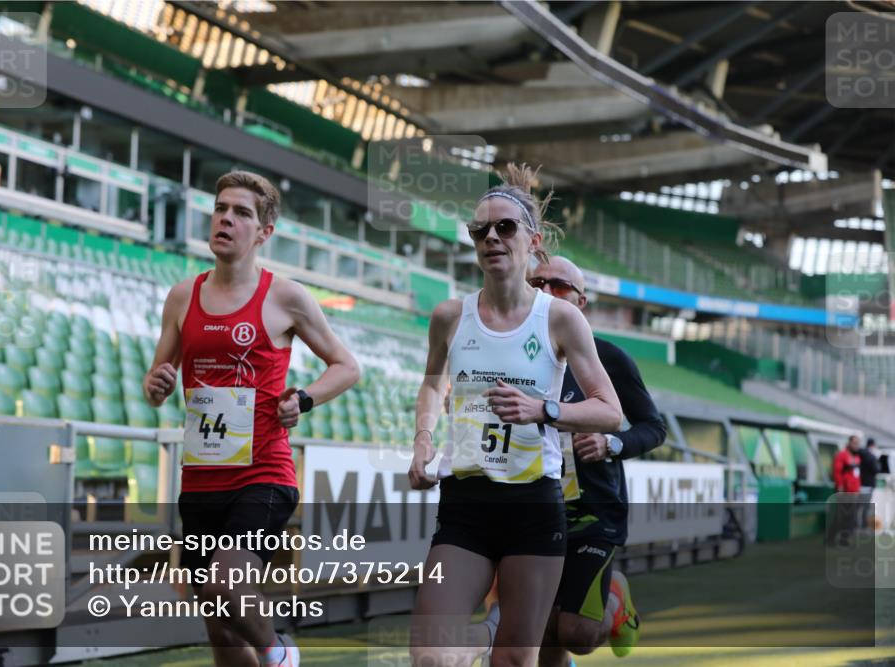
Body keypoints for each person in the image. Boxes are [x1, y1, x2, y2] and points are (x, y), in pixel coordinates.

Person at [407, 164, 622, 667]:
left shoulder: (561, 318)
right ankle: (484, 636)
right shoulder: (449, 316)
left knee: (516, 662)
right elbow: (432, 382)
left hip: (533, 508)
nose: (491, 238)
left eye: (505, 227)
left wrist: (543, 410)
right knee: (431, 656)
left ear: (533, 239)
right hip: (465, 506)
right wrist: (422, 439)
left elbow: (610, 412)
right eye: (480, 230)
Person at [143, 170, 360, 667]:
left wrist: (303, 399)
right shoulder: (182, 296)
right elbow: (159, 378)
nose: (225, 218)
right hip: (201, 477)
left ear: (264, 233)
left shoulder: (286, 297)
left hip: (263, 472)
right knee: (219, 628)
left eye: (241, 213)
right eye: (221, 208)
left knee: (225, 581)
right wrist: (156, 385)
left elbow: (348, 366)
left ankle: (279, 652)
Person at [525, 256, 667, 666]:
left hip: (593, 511)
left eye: (559, 285)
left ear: (581, 302)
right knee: (537, 624)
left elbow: (653, 428)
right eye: (537, 282)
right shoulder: (515, 354)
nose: (547, 290)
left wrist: (611, 443)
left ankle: (617, 598)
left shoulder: (610, 359)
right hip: (530, 506)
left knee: (578, 634)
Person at [829, 435, 863, 547]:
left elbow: (856, 476)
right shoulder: (842, 455)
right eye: (854, 443)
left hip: (854, 491)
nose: (856, 445)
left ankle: (841, 539)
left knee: (849, 517)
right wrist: (839, 487)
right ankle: (835, 539)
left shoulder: (857, 457)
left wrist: (858, 489)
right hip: (844, 491)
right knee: (842, 516)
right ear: (849, 443)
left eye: (858, 443)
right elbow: (837, 472)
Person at [860, 438, 881, 528]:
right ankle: (863, 524)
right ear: (872, 445)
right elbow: (876, 469)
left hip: (860, 483)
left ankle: (862, 523)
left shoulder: (861, 453)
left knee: (862, 505)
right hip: (867, 484)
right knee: (865, 506)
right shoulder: (870, 456)